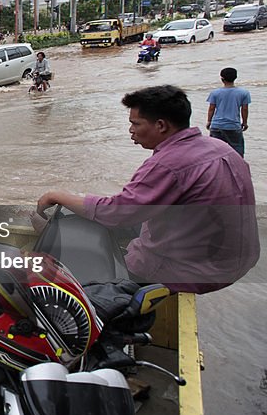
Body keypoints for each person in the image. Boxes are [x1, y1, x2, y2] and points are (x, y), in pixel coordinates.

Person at [37, 85, 259, 293]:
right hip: (236, 262)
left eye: (136, 123)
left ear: (161, 125)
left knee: (76, 247)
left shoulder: (169, 163)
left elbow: (118, 212)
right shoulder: (221, 148)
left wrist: (57, 195)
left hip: (195, 271)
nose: (131, 130)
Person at [207, 67, 250, 157]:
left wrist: (209, 121)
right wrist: (245, 122)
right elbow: (244, 109)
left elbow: (211, 108)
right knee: (237, 151)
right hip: (233, 126)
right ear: (235, 77)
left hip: (217, 125)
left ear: (222, 79)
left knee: (215, 153)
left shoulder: (215, 93)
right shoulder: (243, 93)